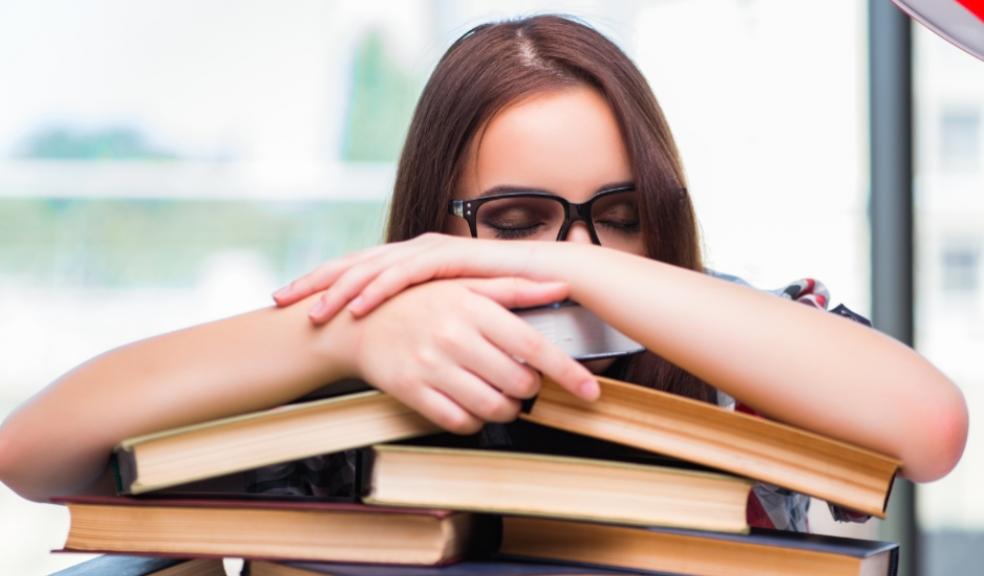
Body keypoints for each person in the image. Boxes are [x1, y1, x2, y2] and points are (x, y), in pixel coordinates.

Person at [0, 16, 967, 532]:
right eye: (514, 222)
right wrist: (347, 330)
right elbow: (35, 456)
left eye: (620, 217)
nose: (579, 261)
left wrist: (565, 264)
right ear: (435, 229)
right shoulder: (357, 388)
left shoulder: (755, 344)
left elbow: (928, 430)